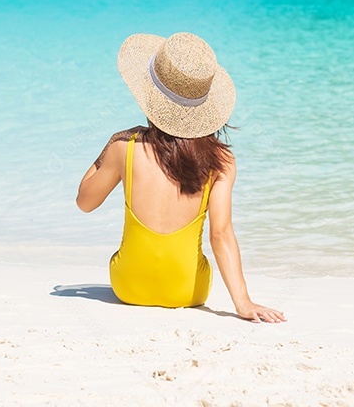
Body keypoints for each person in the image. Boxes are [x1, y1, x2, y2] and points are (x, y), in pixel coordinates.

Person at [75, 32, 285, 323]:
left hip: (128, 287)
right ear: (205, 108)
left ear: (149, 96)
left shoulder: (125, 147)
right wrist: (243, 303)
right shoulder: (220, 160)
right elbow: (220, 234)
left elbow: (84, 202)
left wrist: (111, 145)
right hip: (188, 292)